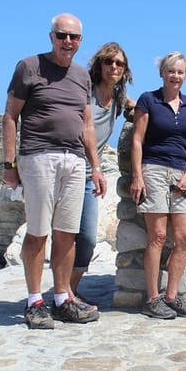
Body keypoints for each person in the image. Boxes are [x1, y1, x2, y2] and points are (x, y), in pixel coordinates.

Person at [2, 13, 105, 329]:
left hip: (74, 161)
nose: (68, 42)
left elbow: (87, 124)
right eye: (62, 35)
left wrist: (96, 167)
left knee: (67, 233)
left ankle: (62, 298)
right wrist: (10, 164)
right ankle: (35, 301)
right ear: (51, 37)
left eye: (74, 37)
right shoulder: (29, 67)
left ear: (80, 41)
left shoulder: (82, 76)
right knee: (38, 232)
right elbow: (10, 116)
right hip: (38, 158)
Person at [130, 51, 186, 320]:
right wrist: (138, 176)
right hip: (155, 170)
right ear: (162, 73)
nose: (175, 76)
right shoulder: (148, 100)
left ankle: (172, 297)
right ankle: (152, 298)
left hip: (181, 175)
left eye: (180, 72)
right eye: (171, 71)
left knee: (184, 237)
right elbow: (137, 140)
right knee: (158, 236)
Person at [69, 42, 136, 310]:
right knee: (64, 234)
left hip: (88, 175)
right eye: (109, 62)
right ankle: (63, 294)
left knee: (86, 237)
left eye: (119, 63)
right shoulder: (86, 92)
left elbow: (138, 108)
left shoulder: (118, 99)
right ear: (99, 65)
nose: (114, 67)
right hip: (72, 168)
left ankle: (70, 289)